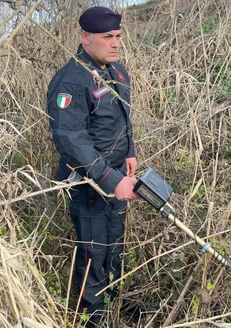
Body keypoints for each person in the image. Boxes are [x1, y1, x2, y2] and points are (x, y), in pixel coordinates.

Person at [47, 6, 141, 327]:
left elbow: (122, 118)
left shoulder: (116, 71)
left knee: (115, 242)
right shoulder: (71, 81)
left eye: (117, 36)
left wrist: (129, 151)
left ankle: (114, 298)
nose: (115, 43)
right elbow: (71, 141)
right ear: (85, 37)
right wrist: (110, 178)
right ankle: (95, 315)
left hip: (118, 179)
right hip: (90, 183)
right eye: (107, 37)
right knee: (93, 250)